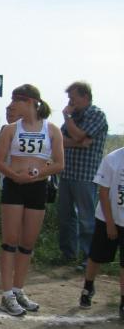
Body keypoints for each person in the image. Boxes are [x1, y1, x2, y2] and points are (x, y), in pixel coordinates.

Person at [0, 85, 64, 316]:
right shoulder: (10, 129)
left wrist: (37, 173)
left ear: (31, 102)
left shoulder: (52, 130)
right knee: (10, 240)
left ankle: (18, 289)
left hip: (37, 187)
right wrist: (15, 176)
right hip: (14, 186)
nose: (12, 105)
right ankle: (6, 293)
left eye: (17, 100)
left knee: (27, 242)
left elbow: (59, 163)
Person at [59, 81, 108, 265]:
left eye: (73, 98)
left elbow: (79, 135)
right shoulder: (74, 117)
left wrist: (68, 118)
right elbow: (60, 140)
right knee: (65, 217)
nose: (70, 102)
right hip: (67, 173)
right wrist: (78, 142)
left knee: (86, 219)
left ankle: (89, 257)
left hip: (86, 175)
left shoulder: (96, 114)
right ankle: (68, 254)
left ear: (85, 97)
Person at [78, 146, 124, 320]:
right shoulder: (113, 159)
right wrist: (110, 224)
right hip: (107, 218)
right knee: (96, 256)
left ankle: (123, 302)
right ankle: (88, 286)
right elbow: (103, 193)